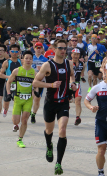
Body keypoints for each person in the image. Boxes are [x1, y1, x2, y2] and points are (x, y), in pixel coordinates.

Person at [32, 39, 77, 175]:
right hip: (50, 103)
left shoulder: (69, 63)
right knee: (49, 130)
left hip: (63, 102)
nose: (63, 51)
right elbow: (35, 82)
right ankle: (49, 145)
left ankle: (58, 163)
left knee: (62, 130)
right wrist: (50, 85)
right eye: (60, 48)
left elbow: (72, 76)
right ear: (54, 49)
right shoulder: (47, 65)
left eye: (65, 49)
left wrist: (73, 84)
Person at [6, 50, 37, 147]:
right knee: (16, 121)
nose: (28, 60)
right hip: (18, 98)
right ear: (22, 59)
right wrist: (8, 92)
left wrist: (36, 91)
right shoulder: (17, 71)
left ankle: (20, 139)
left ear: (32, 61)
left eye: (30, 59)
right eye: (26, 58)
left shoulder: (34, 73)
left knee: (24, 120)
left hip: (28, 99)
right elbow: (9, 82)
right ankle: (15, 124)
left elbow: (36, 85)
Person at [0, 44, 22, 119]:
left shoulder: (22, 62)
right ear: (10, 52)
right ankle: (5, 109)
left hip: (18, 85)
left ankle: (16, 115)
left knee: (17, 101)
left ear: (19, 52)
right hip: (8, 84)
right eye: (13, 51)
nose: (14, 53)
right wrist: (9, 77)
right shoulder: (6, 62)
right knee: (6, 102)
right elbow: (0, 74)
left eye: (16, 51)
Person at [30, 42, 49, 124]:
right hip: (30, 81)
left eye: (40, 48)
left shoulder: (45, 60)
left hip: (40, 82)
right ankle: (27, 112)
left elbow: (48, 72)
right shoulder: (30, 58)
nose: (38, 49)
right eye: (36, 48)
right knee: (30, 98)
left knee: (37, 100)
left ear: (42, 49)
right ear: (34, 49)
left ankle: (33, 114)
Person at [71, 48, 86, 126]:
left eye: (77, 54)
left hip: (77, 84)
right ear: (71, 55)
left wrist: (82, 77)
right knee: (66, 102)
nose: (76, 56)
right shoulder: (68, 63)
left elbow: (82, 72)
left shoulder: (82, 64)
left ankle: (77, 117)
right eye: (74, 54)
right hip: (69, 84)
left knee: (78, 101)